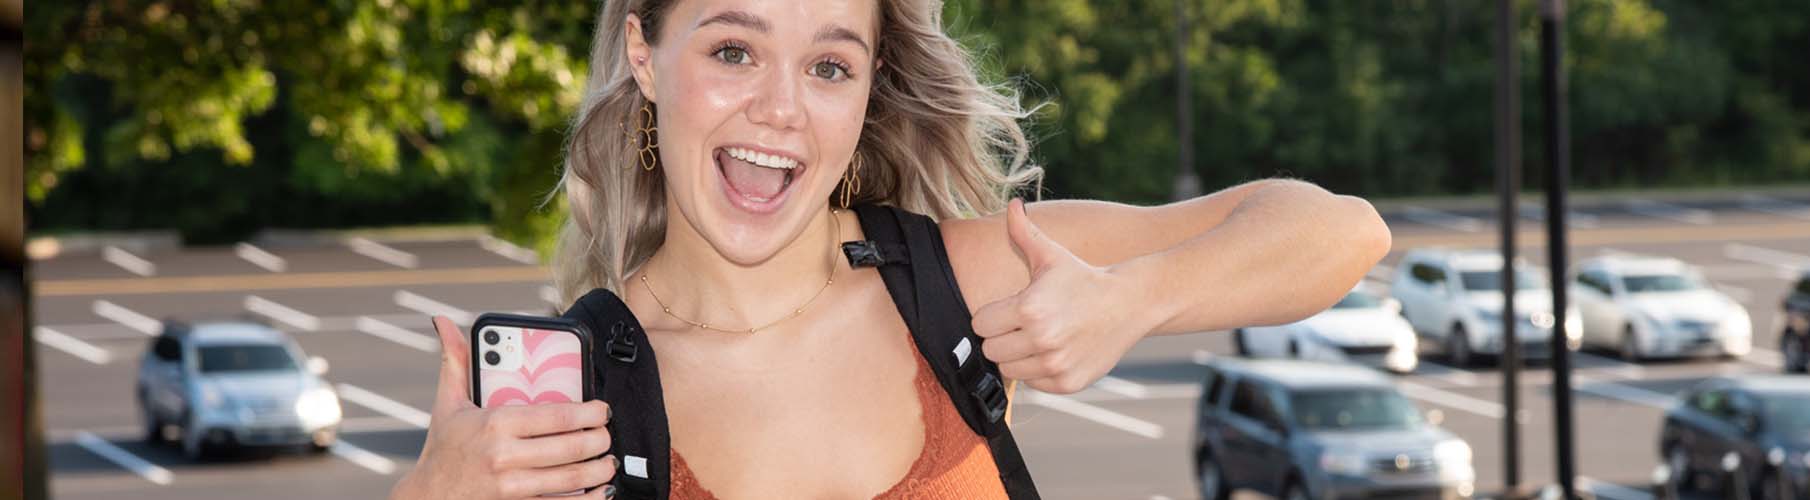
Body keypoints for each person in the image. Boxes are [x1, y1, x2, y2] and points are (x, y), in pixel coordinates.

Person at [390, 0, 1390, 498]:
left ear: (868, 90)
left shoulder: (969, 282)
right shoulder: (577, 412)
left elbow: (1340, 230)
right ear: (647, 58)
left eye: (829, 64)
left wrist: (1137, 295)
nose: (779, 109)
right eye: (733, 50)